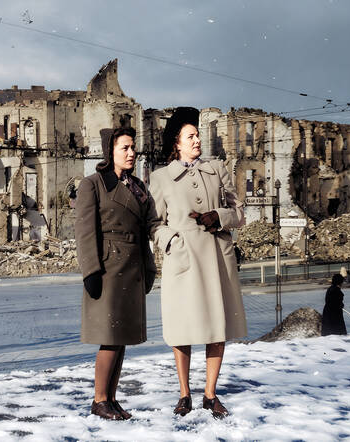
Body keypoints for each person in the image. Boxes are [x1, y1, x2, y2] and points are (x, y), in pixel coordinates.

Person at [149, 107, 247, 419]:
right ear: (176, 143)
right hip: (183, 261)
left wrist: (219, 216)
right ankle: (184, 394)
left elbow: (240, 212)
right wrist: (172, 242)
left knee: (216, 325)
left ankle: (210, 394)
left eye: (198, 136)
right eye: (190, 136)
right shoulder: (161, 178)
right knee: (182, 327)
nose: (197, 141)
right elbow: (153, 223)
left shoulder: (217, 169)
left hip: (217, 258)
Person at [75, 127, 158, 420]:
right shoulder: (93, 184)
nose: (131, 153)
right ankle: (99, 400)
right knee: (109, 336)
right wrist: (91, 270)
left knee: (121, 337)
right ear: (110, 151)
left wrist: (150, 267)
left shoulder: (138, 187)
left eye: (133, 147)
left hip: (132, 265)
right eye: (124, 148)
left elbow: (149, 225)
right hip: (108, 268)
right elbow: (85, 231)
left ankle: (111, 398)